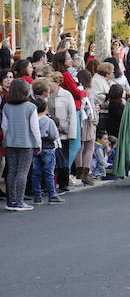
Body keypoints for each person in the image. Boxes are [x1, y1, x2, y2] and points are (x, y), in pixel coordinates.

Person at [2, 79, 39, 211]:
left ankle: (11, 201)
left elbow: (4, 127)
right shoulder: (31, 107)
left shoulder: (6, 107)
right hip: (26, 143)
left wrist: (7, 140)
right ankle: (19, 201)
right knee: (22, 172)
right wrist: (38, 143)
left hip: (10, 143)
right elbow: (34, 128)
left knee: (11, 171)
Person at [48, 71, 77, 192]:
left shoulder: (66, 95)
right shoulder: (46, 94)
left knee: (63, 158)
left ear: (57, 82)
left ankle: (64, 183)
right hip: (49, 131)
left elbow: (72, 114)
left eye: (51, 81)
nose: (48, 83)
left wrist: (70, 131)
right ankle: (51, 183)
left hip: (63, 132)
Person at [31, 97, 63, 204]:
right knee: (49, 172)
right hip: (48, 147)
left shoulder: (32, 120)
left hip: (35, 147)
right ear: (46, 108)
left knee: (36, 172)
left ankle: (37, 195)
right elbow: (54, 135)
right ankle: (52, 194)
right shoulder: (49, 121)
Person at [75, 69, 98, 186]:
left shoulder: (77, 90)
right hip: (88, 121)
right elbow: (92, 108)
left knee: (79, 147)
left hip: (79, 120)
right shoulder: (89, 91)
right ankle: (86, 172)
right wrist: (95, 120)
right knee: (89, 146)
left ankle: (78, 171)